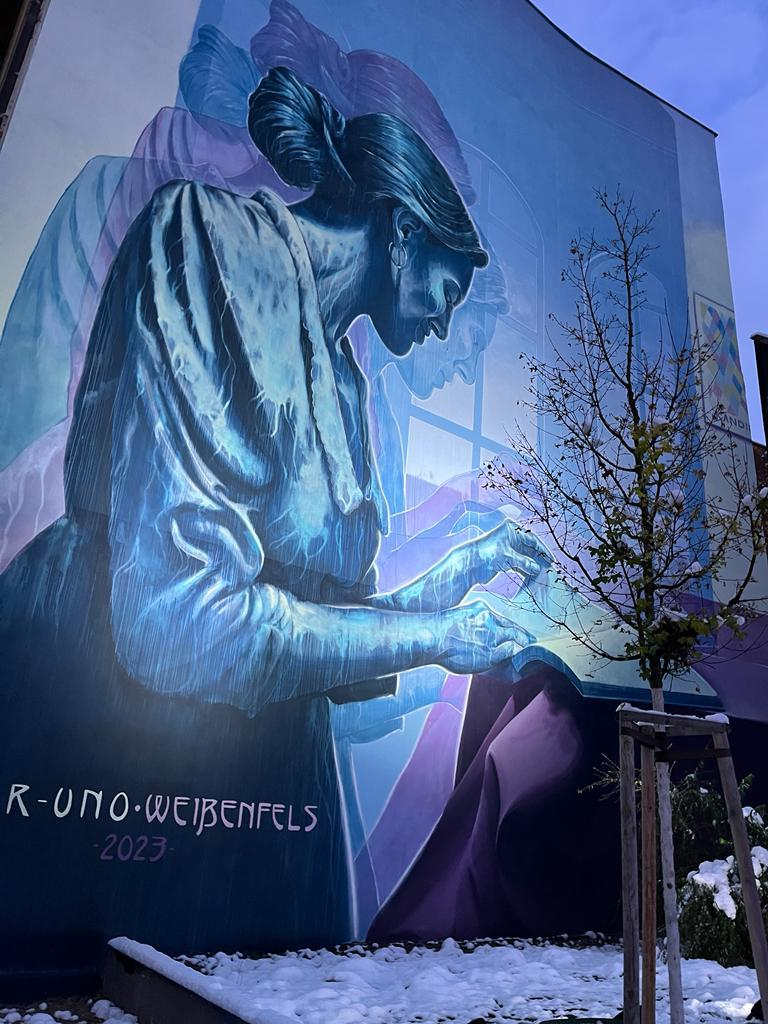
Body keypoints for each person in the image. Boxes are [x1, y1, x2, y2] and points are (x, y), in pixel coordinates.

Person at [0, 66, 548, 979]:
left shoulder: (348, 385)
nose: (446, 325)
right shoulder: (203, 239)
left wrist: (446, 585)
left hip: (267, 796)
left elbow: (317, 637)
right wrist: (435, 634)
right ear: (401, 230)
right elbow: (181, 625)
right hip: (95, 728)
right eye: (448, 291)